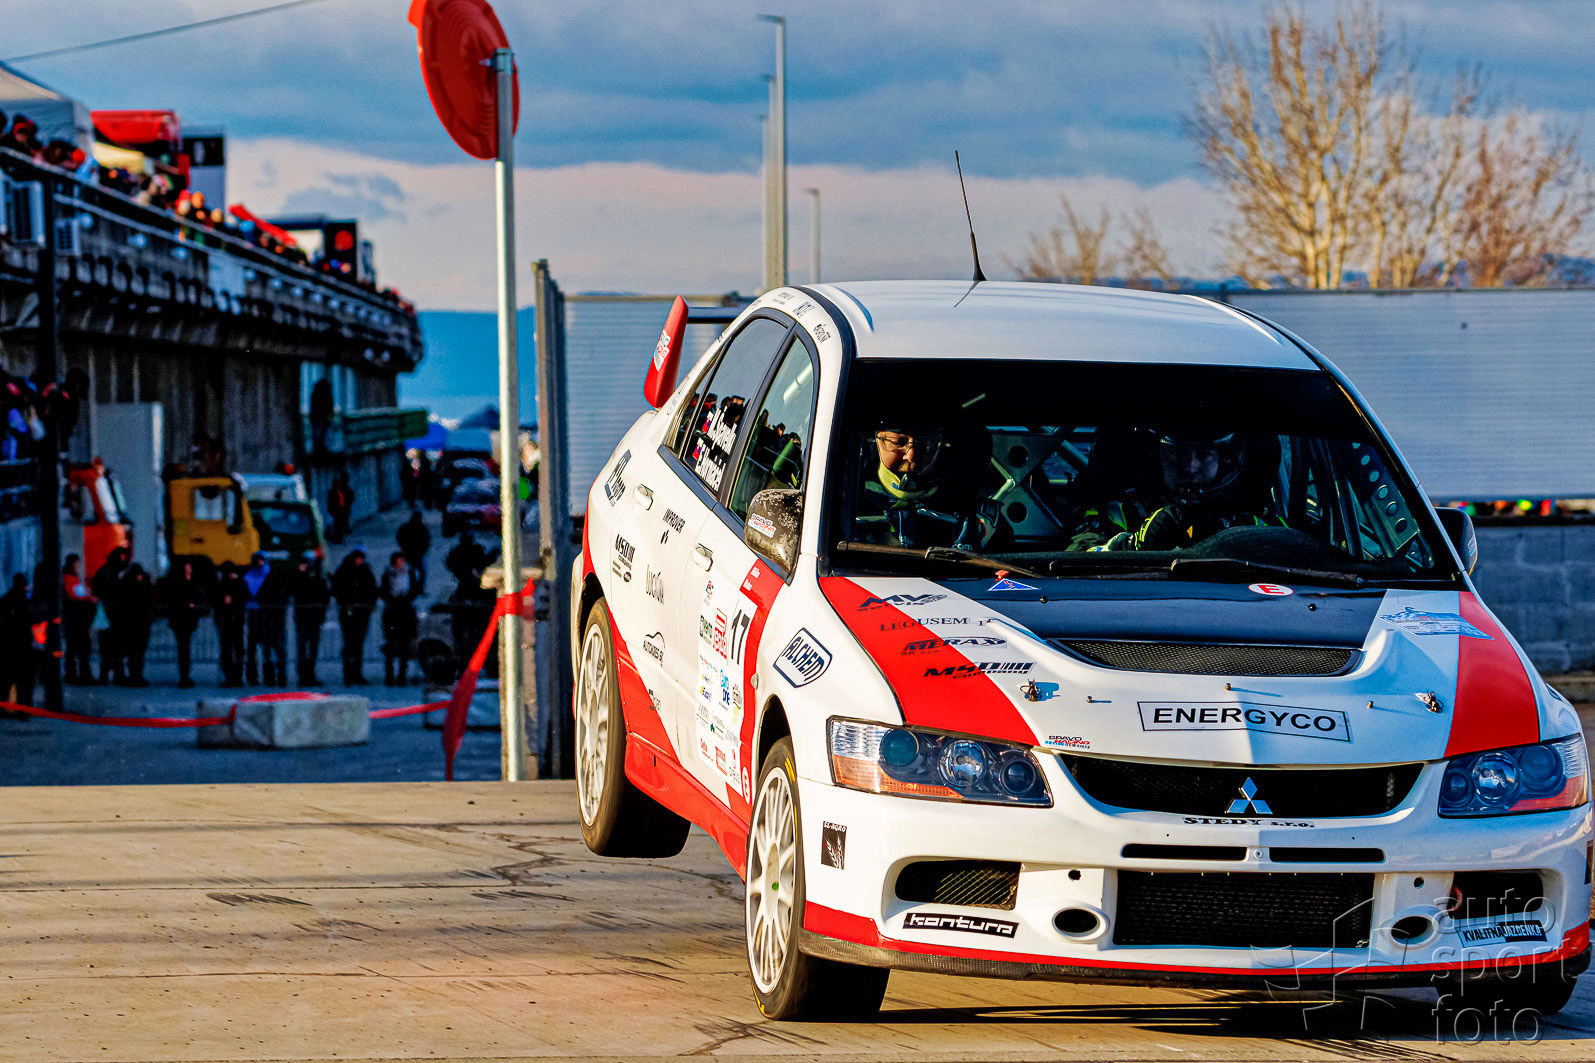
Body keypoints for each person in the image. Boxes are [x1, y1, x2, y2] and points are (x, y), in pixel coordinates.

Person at [1104, 430, 1281, 551]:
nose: (1190, 466)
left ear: (1225, 458)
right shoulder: (1125, 506)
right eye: (1178, 453)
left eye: (1204, 454)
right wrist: (1134, 546)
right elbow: (1090, 560)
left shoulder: (1261, 515)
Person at [853, 420, 996, 549]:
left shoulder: (974, 508)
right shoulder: (848, 494)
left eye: (925, 443)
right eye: (898, 442)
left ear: (939, 443)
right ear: (877, 440)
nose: (911, 455)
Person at [160, 561, 211, 688]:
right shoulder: (181, 584)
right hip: (182, 619)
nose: (189, 570)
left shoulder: (188, 583)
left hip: (186, 620)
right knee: (184, 648)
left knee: (184, 648)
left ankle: (184, 675)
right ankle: (184, 676)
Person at [331, 548, 378, 685]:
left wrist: (369, 604)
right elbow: (336, 589)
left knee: (358, 643)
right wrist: (346, 602)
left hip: (362, 612)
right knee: (349, 643)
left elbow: (373, 590)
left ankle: (357, 673)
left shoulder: (366, 572)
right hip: (348, 611)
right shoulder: (344, 571)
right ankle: (348, 674)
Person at [242, 552, 289, 686]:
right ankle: (261, 677)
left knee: (272, 647)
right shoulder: (249, 576)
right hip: (257, 615)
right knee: (261, 647)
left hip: (269, 616)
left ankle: (275, 677)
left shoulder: (269, 576)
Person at [379, 552, 421, 686]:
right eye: (399, 560)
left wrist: (406, 598)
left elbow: (415, 589)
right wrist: (392, 599)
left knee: (405, 646)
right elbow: (383, 591)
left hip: (406, 612)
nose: (401, 562)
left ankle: (402, 675)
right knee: (391, 645)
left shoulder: (410, 573)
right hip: (393, 612)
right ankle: (390, 675)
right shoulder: (388, 574)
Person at [90, 547, 130, 684]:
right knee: (113, 647)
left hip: (112, 613)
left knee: (110, 647)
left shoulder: (106, 571)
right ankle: (114, 674)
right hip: (113, 613)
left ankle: (108, 674)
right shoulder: (112, 573)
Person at [114, 564, 156, 687]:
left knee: (133, 652)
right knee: (138, 652)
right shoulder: (144, 586)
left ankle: (134, 675)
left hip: (131, 623)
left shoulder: (125, 585)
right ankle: (136, 675)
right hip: (139, 623)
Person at [291, 557, 331, 686]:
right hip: (305, 618)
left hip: (314, 618)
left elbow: (325, 597)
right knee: (304, 648)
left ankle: (310, 675)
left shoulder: (319, 580)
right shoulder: (300, 579)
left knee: (311, 648)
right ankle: (303, 676)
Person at [61, 554, 97, 684]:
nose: (78, 566)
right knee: (79, 647)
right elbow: (73, 595)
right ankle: (78, 674)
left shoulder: (71, 578)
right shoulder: (69, 578)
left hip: (76, 617)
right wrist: (88, 598)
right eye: (77, 563)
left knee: (75, 648)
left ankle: (76, 674)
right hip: (76, 618)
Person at [0, 573, 33, 705]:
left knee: (8, 676)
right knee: (22, 678)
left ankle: (7, 703)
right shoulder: (24, 600)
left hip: (9, 642)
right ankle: (22, 705)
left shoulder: (7, 599)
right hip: (21, 642)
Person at [213, 561, 248, 688]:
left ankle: (234, 677)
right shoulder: (225, 584)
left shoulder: (234, 584)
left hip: (233, 621)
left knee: (232, 649)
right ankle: (233, 677)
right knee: (231, 650)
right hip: (228, 622)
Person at [396, 509, 432, 591]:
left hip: (409, 552)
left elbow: (399, 537)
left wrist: (403, 547)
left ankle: (415, 587)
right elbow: (427, 539)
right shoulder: (422, 527)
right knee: (420, 571)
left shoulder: (406, 526)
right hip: (416, 553)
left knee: (412, 571)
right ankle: (419, 588)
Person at [327, 474, 354, 543]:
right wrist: (331, 510)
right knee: (337, 525)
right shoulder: (332, 492)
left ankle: (339, 537)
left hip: (342, 510)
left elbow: (350, 497)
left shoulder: (342, 490)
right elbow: (330, 502)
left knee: (341, 524)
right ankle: (337, 537)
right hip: (336, 511)